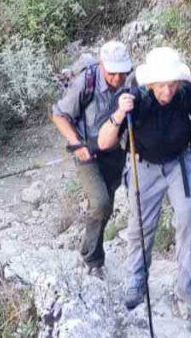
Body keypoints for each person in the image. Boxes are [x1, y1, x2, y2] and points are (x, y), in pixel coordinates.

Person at [96, 47, 191, 314]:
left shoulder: (186, 92)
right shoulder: (134, 98)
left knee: (188, 218)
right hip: (144, 166)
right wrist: (119, 114)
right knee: (141, 225)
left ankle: (189, 289)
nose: (168, 91)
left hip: (179, 163)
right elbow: (104, 142)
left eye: (172, 84)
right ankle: (137, 281)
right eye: (162, 85)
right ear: (151, 84)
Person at [51, 41, 135, 279]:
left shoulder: (131, 82)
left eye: (122, 72)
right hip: (87, 152)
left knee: (105, 206)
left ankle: (91, 250)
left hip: (115, 152)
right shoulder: (86, 83)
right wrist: (76, 144)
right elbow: (59, 115)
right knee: (100, 203)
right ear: (101, 65)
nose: (118, 78)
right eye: (112, 73)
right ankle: (93, 260)